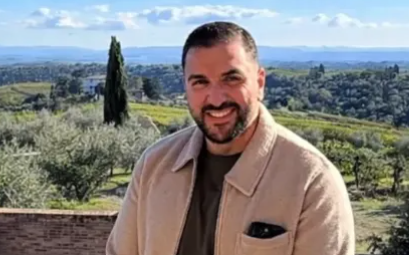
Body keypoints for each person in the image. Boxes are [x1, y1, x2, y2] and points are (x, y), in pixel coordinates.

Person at [106, 21, 355, 255]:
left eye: (231, 79)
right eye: (200, 82)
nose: (216, 99)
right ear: (185, 87)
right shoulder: (154, 165)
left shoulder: (312, 181)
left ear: (260, 83)